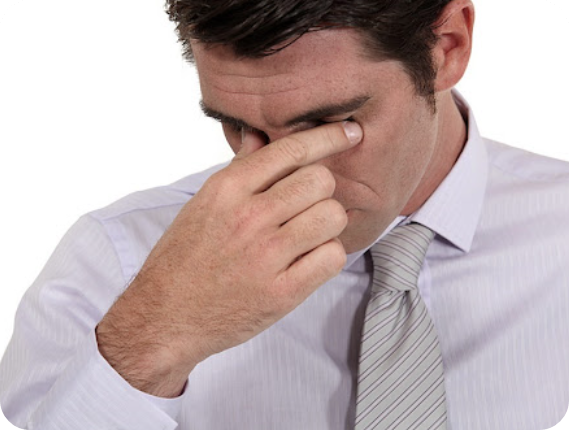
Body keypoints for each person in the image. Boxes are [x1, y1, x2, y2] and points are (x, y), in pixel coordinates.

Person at [1, 0, 568, 428]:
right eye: (238, 126)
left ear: (448, 46)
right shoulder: (114, 261)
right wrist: (152, 341)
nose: (283, 174)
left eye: (329, 125)